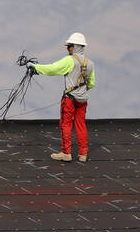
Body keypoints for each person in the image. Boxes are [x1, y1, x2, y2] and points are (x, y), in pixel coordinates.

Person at [29, 32, 96, 161]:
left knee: (66, 124)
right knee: (81, 124)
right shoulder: (91, 64)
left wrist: (35, 67)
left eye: (69, 46)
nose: (67, 48)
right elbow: (91, 84)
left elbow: (52, 69)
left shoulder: (69, 61)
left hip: (70, 99)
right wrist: (81, 90)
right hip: (83, 99)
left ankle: (66, 153)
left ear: (75, 46)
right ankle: (83, 154)